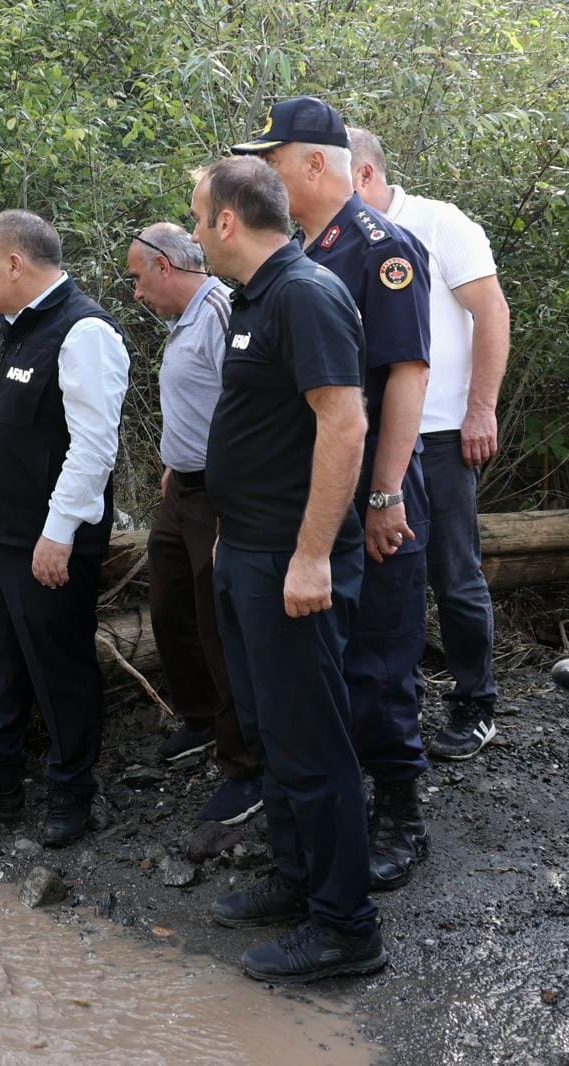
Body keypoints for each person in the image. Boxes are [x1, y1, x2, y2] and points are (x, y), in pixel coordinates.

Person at [192, 155, 385, 984]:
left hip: (293, 562)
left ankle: (346, 927)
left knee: (313, 744)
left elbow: (344, 427)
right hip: (250, 551)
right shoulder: (254, 298)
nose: (196, 229)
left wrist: (310, 556)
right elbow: (266, 432)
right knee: (276, 735)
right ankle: (299, 880)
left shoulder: (305, 293)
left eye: (198, 216)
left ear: (228, 221)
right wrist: (231, 533)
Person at [234, 97, 434, 892]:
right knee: (325, 661)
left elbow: (408, 378)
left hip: (373, 483)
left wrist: (385, 493)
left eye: (275, 162)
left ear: (315, 164)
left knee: (380, 654)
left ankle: (400, 813)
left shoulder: (382, 249)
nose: (267, 178)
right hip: (315, 488)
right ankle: (327, 818)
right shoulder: (304, 251)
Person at [0, 209, 130, 849]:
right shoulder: (9, 329)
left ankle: (72, 791)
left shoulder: (83, 332)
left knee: (60, 666)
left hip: (49, 541)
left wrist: (59, 529)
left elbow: (94, 446)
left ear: (16, 264)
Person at [349, 126, 512, 760]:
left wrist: (481, 409)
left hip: (441, 430)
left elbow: (491, 312)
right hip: (371, 433)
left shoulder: (438, 224)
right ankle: (397, 700)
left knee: (453, 573)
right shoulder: (334, 240)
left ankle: (476, 703)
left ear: (362, 174)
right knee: (383, 578)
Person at [126, 223, 262, 826]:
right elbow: (198, 402)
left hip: (219, 494)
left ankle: (246, 766)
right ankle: (202, 719)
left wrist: (229, 494)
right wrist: (173, 462)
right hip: (181, 487)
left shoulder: (219, 312)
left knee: (219, 624)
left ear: (163, 266)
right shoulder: (184, 322)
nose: (135, 293)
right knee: (168, 608)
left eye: (136, 278)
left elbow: (247, 410)